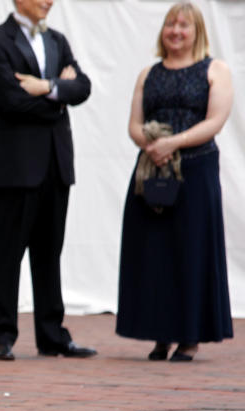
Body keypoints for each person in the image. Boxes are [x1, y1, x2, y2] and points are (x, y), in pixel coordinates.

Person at [0, 0, 97, 361]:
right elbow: (9, 100)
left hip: (56, 164)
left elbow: (84, 87)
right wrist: (60, 93)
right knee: (8, 253)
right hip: (16, 166)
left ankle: (52, 336)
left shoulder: (57, 40)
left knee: (50, 253)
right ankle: (1, 336)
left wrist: (44, 86)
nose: (49, 1)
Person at [116, 3, 233, 362]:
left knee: (191, 252)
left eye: (184, 25)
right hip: (152, 171)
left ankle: (189, 336)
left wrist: (174, 143)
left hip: (196, 171)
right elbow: (134, 124)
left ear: (197, 31)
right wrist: (151, 145)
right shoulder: (147, 73)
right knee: (154, 252)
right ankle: (160, 332)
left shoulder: (216, 70)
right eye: (170, 24)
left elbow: (215, 121)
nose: (176, 31)